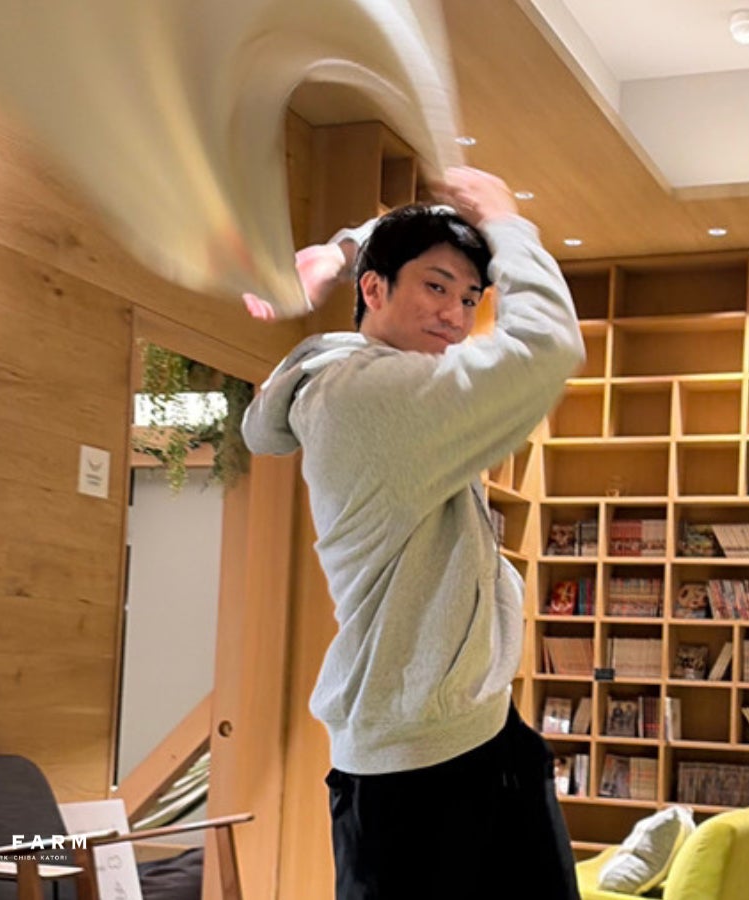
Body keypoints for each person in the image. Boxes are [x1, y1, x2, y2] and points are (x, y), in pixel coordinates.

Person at [242, 166, 585, 900]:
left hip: (476, 732)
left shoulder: (378, 375)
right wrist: (505, 219)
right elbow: (546, 347)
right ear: (374, 290)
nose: (456, 314)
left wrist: (343, 248)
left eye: (470, 298)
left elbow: (412, 245)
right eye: (436, 288)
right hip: (415, 769)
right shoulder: (370, 396)